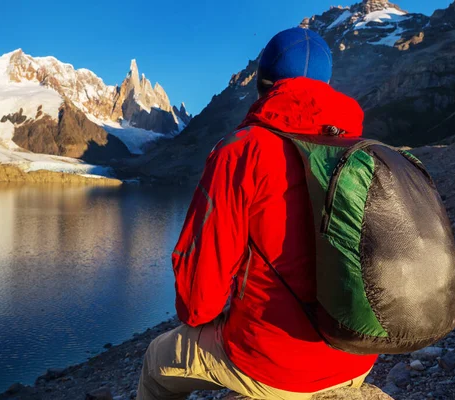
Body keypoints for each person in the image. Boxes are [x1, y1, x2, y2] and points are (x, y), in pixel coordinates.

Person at [137, 27, 378, 400]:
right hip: (358, 354)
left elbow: (198, 300)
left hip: (275, 365)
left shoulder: (242, 150)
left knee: (156, 362)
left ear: (263, 84)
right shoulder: (360, 152)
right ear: (327, 86)